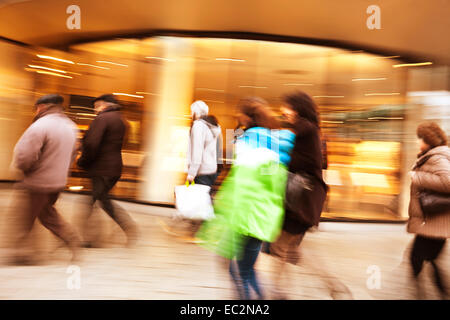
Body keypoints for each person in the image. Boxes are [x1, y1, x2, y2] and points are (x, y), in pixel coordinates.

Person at [197, 97, 295, 300]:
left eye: (239, 114)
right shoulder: (276, 142)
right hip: (264, 215)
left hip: (243, 214)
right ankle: (266, 297)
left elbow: (242, 181)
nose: (237, 117)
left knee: (233, 266)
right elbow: (275, 182)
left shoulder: (248, 139)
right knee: (246, 268)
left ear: (247, 116)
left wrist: (222, 206)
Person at [267, 91, 352, 299]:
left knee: (280, 247)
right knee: (290, 250)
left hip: (300, 200)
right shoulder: (310, 130)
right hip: (303, 199)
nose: (283, 111)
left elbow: (304, 163)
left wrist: (281, 161)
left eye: (286, 107)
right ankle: (331, 286)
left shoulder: (304, 129)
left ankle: (277, 292)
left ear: (296, 108)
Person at [11, 94, 81, 264]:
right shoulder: (71, 127)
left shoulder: (40, 126)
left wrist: (23, 169)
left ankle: (22, 253)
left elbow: (24, 155)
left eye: (36, 107)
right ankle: (71, 240)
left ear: (42, 107)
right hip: (57, 182)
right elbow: (74, 154)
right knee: (47, 215)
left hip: (38, 181)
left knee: (25, 218)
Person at [77, 94, 138, 248]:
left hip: (100, 168)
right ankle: (123, 229)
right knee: (102, 201)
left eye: (96, 105)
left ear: (104, 104)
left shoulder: (102, 119)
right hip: (114, 167)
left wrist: (82, 161)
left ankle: (92, 239)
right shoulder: (122, 120)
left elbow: (92, 144)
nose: (95, 109)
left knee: (94, 202)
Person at [407, 121, 449, 299]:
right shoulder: (431, 155)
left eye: (421, 139)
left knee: (416, 258)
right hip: (433, 222)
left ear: (428, 140)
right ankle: (439, 293)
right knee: (428, 259)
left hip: (434, 221)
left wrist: (419, 177)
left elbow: (448, 181)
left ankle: (422, 294)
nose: (419, 142)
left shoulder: (437, 157)